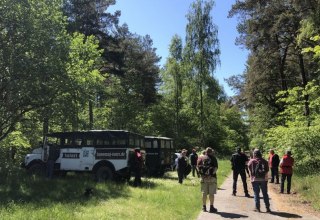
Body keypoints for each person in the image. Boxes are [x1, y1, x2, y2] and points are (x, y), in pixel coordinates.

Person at [197, 147, 218, 213]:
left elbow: (197, 167)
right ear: (211, 152)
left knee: (204, 193)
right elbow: (216, 168)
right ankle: (211, 207)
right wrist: (210, 175)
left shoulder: (201, 158)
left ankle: (204, 207)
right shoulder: (213, 158)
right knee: (211, 193)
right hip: (212, 178)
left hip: (203, 178)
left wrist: (203, 175)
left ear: (205, 151)